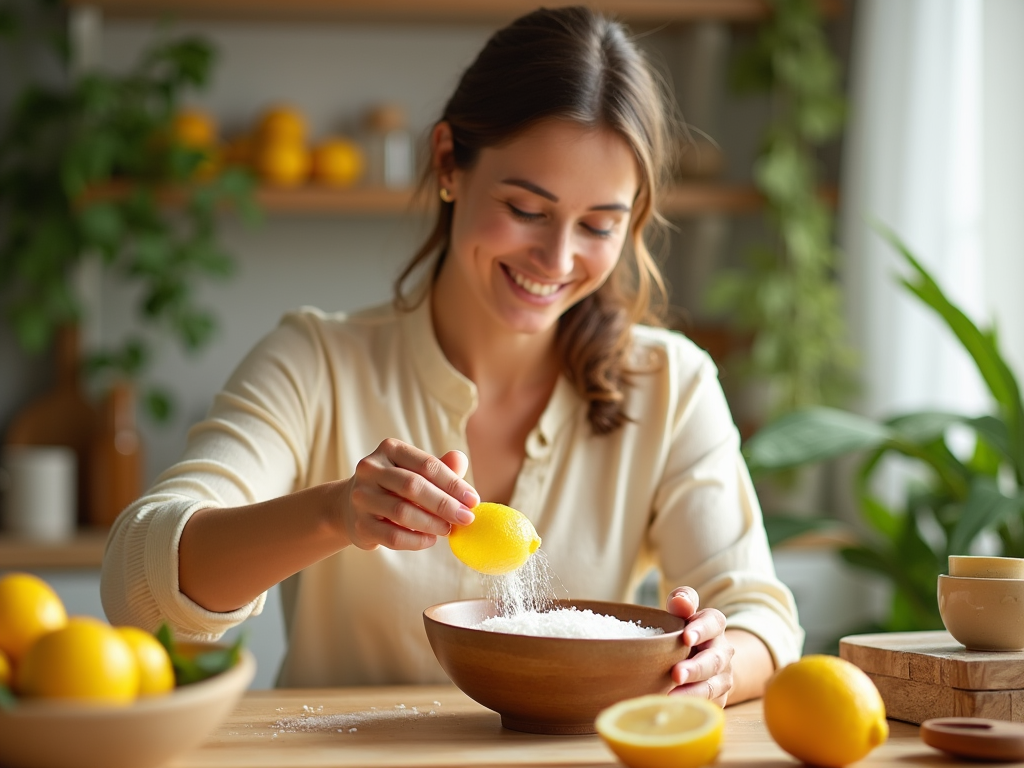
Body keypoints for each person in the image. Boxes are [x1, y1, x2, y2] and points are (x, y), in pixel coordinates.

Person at [102, 5, 802, 705]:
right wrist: (333, 513)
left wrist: (716, 663)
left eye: (597, 224)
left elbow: (760, 619)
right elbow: (139, 591)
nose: (557, 259)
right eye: (527, 209)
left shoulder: (670, 384)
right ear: (448, 163)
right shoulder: (316, 364)